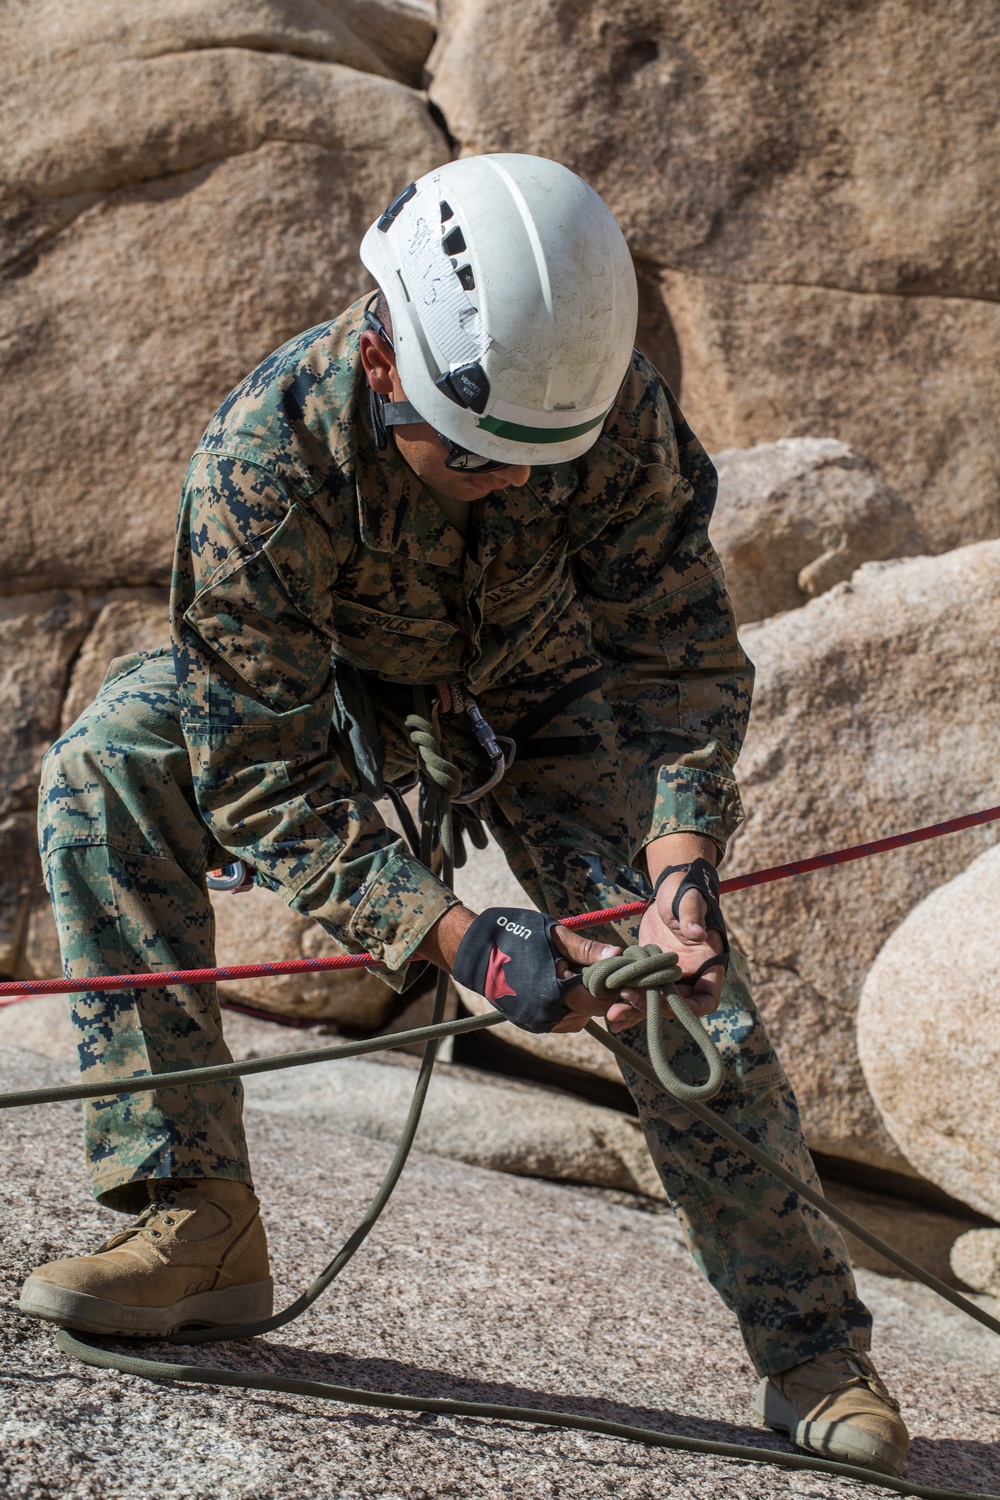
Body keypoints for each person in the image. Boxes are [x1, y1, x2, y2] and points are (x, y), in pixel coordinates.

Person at [20, 154, 908, 1477]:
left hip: (555, 700)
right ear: (386, 368)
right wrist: (462, 941)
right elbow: (259, 768)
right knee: (105, 770)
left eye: (539, 458)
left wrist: (677, 863)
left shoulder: (593, 402)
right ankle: (191, 1216)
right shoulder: (264, 463)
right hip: (343, 698)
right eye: (479, 453)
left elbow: (675, 653)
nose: (510, 481)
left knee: (675, 986)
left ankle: (811, 1350)